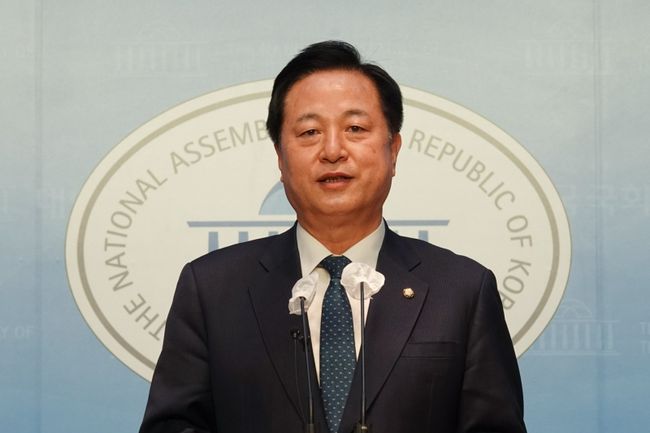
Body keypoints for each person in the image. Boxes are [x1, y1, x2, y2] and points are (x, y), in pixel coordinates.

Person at [139, 40, 527, 433]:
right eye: (309, 132)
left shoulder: (462, 291)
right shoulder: (211, 289)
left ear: (393, 150)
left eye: (355, 128)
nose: (332, 150)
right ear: (280, 158)